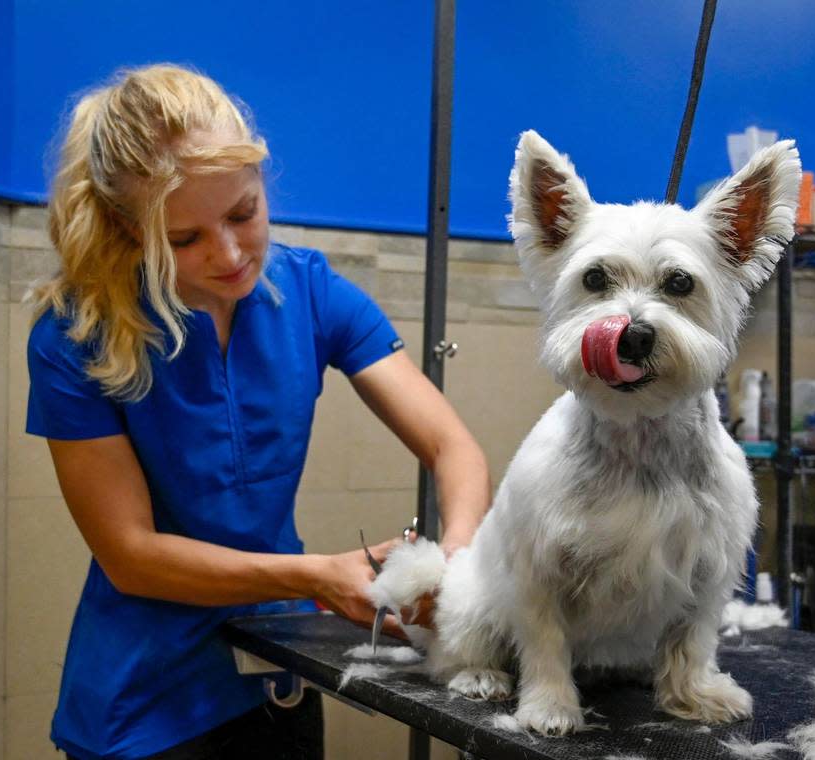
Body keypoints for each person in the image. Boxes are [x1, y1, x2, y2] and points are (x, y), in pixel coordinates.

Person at [25, 63, 491, 760]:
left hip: (279, 687)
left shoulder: (309, 293)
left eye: (244, 213)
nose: (232, 252)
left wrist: (452, 574)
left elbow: (452, 447)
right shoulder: (77, 334)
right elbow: (132, 557)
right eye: (184, 239)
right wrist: (315, 576)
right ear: (129, 229)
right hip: (145, 711)